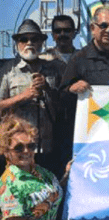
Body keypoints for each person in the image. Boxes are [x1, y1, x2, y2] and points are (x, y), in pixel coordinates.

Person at [0, 19, 63, 174]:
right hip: (17, 150)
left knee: (48, 194)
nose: (29, 43)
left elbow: (64, 107)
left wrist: (47, 89)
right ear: (17, 43)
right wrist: (22, 97)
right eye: (24, 39)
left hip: (47, 148)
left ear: (41, 42)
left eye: (34, 39)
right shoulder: (7, 71)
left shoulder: (55, 69)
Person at [0, 116, 68, 220]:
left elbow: (54, 192)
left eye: (30, 146)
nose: (26, 151)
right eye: (19, 148)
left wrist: (69, 174)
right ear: (7, 152)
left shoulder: (42, 172)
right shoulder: (10, 182)